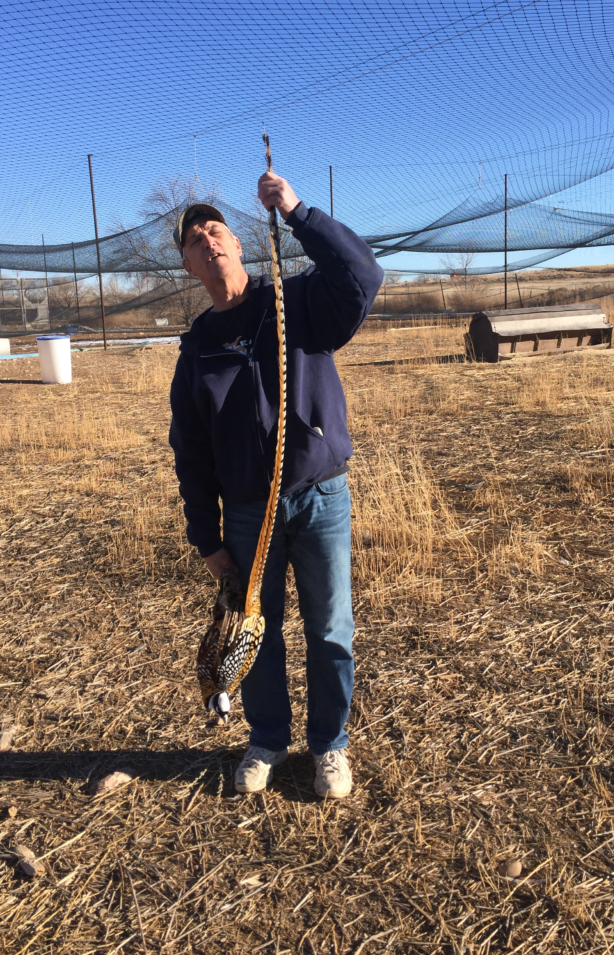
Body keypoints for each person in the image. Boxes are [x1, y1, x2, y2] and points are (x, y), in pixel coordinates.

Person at [169, 170, 383, 799]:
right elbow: (191, 450)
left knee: (330, 629)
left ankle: (330, 746)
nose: (207, 240)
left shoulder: (293, 305)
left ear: (238, 242)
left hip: (319, 496)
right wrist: (206, 537)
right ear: (187, 265)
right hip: (245, 512)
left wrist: (295, 211)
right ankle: (266, 738)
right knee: (255, 629)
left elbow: (362, 277)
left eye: (216, 229)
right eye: (193, 239)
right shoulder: (198, 348)